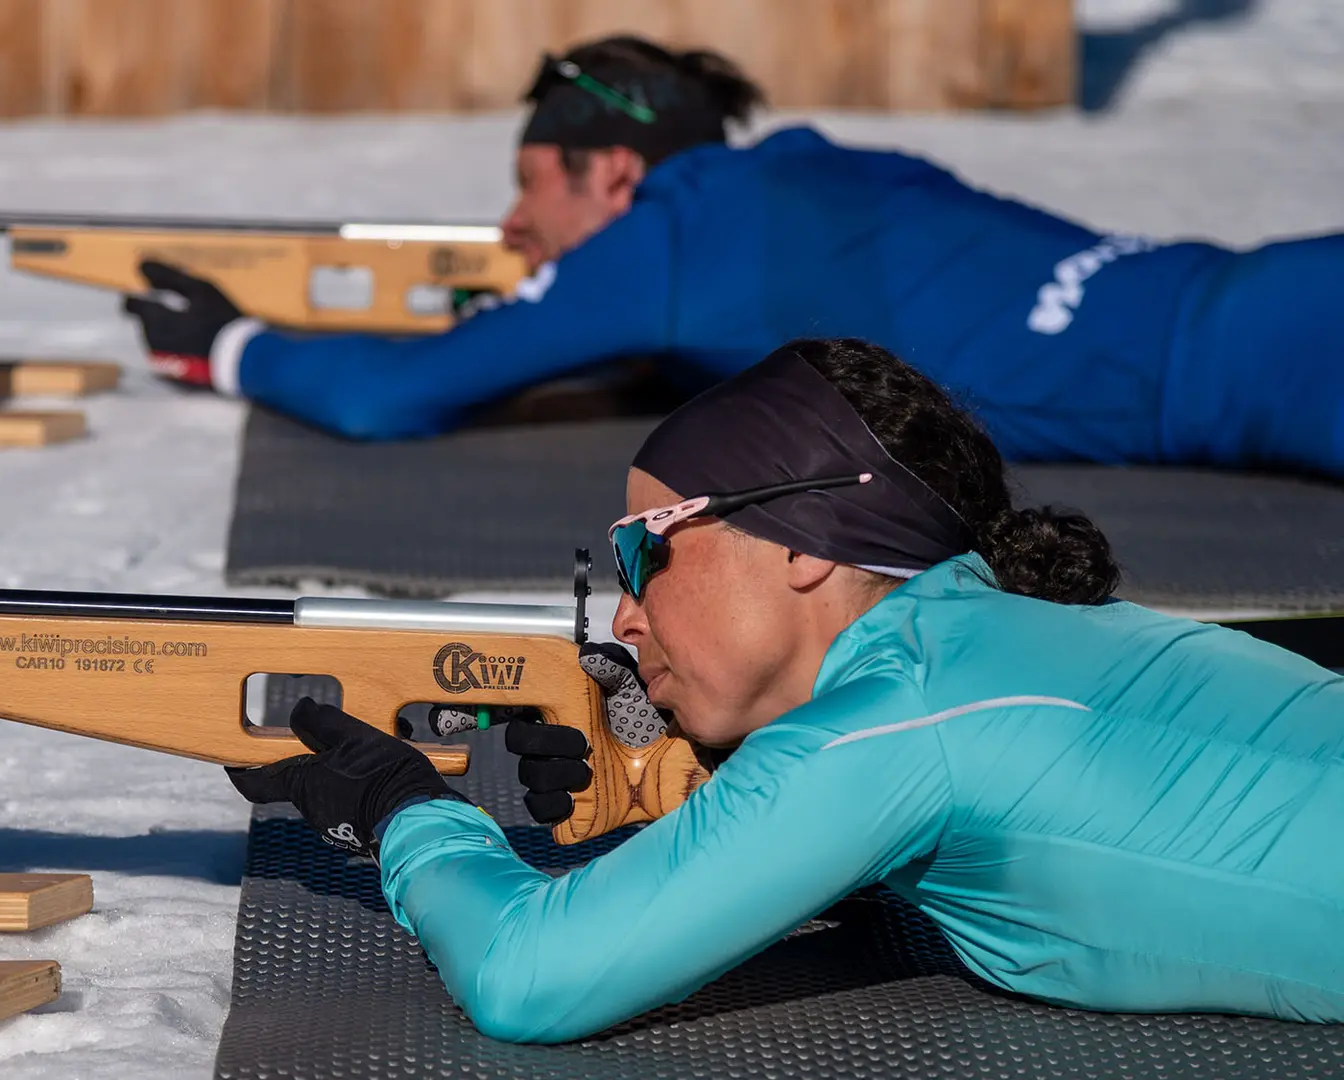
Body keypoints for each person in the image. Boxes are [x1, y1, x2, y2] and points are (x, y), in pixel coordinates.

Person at [226, 336, 1344, 1043]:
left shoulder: (896, 722)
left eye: (642, 550)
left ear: (806, 540)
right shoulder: (1030, 632)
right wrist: (694, 790)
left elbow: (532, 977)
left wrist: (410, 812)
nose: (625, 607)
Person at [124, 36, 1344, 478]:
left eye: (527, 183)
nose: (509, 227)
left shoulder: (667, 234)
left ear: (609, 170)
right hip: (1271, 290)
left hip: (1255, 376)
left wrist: (227, 341)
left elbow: (387, 398)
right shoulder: (824, 164)